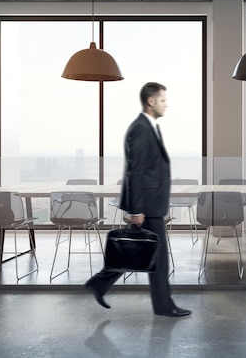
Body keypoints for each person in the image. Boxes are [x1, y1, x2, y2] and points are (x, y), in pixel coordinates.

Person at [85, 82, 191, 318]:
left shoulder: (150, 127)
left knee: (137, 251)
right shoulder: (141, 129)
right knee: (157, 255)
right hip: (147, 206)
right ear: (151, 101)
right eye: (163, 100)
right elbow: (136, 171)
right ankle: (164, 305)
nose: (166, 104)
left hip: (151, 203)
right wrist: (136, 209)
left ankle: (100, 283)